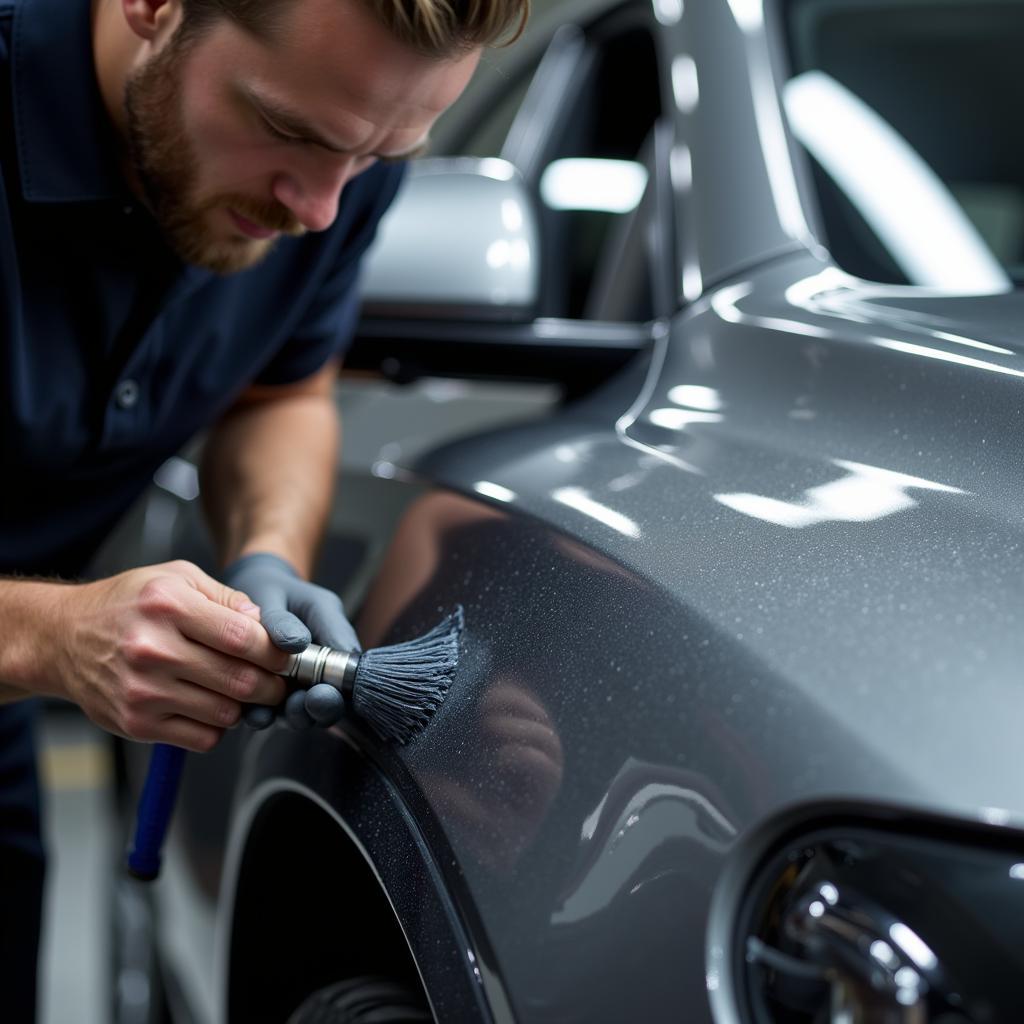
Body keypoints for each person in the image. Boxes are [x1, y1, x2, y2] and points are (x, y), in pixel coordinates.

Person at [0, 0, 528, 1016]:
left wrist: (268, 559)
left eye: (376, 158)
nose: (319, 208)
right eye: (291, 132)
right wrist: (50, 638)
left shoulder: (333, 167)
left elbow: (279, 391)